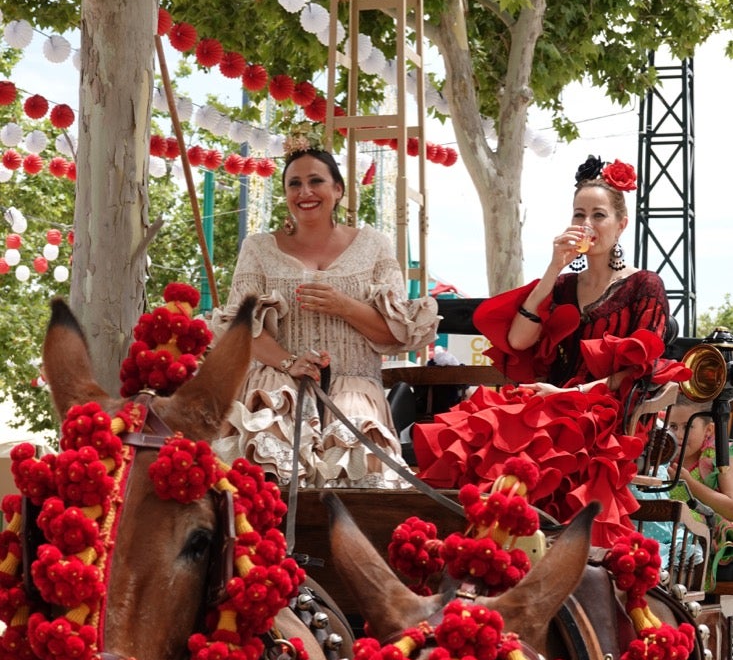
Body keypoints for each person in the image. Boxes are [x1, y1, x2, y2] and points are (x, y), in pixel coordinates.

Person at [413, 155, 689, 547]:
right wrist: (554, 267)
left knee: (531, 427)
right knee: (485, 421)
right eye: (579, 215)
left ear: (620, 224)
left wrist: (568, 394)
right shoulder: (562, 286)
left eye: (599, 215)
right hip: (550, 399)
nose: (587, 225)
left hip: (606, 408)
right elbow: (521, 340)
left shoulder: (644, 284)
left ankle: (508, 540)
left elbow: (637, 372)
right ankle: (483, 540)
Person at [208, 133, 440, 488]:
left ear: (338, 190)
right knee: (269, 435)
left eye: (316, 181)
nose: (305, 192)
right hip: (276, 377)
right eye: (294, 184)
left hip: (353, 382)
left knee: (354, 451)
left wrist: (343, 305)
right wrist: (289, 362)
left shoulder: (373, 245)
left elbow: (396, 333)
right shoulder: (258, 248)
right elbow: (239, 327)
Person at [666, 392, 733, 583]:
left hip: (711, 537)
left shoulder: (719, 456)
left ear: (709, 430)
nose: (678, 435)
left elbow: (731, 508)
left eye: (688, 427)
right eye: (673, 426)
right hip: (670, 536)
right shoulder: (662, 457)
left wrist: (689, 482)